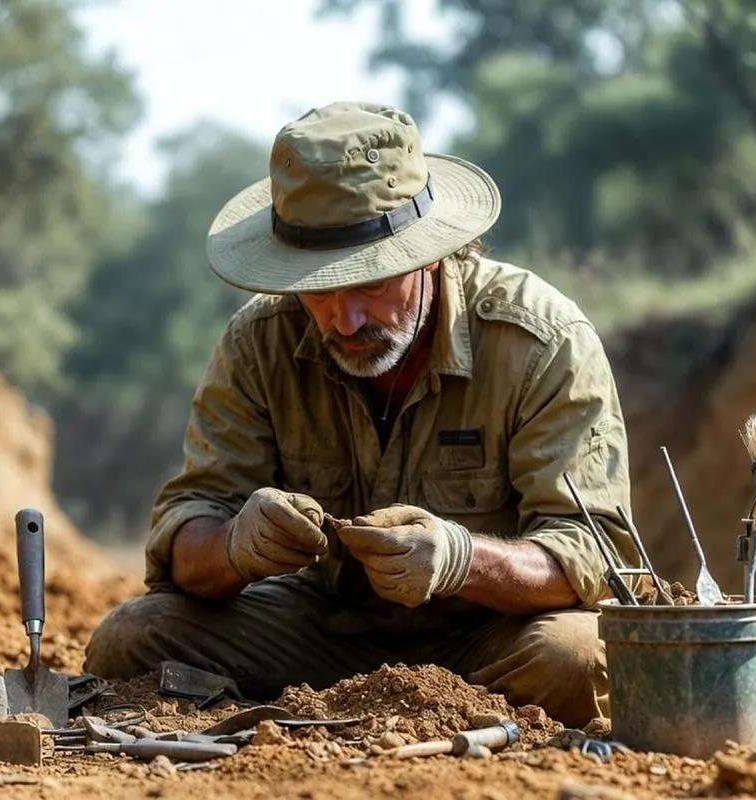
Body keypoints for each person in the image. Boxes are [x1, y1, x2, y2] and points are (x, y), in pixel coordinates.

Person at [84, 100, 639, 729]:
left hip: (492, 640)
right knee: (130, 639)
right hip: (317, 635)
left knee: (577, 657)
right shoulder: (257, 343)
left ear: (430, 254)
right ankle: (307, 723)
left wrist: (461, 561)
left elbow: (596, 556)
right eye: (318, 288)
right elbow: (184, 535)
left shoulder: (539, 341)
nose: (344, 321)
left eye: (371, 284)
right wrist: (235, 546)